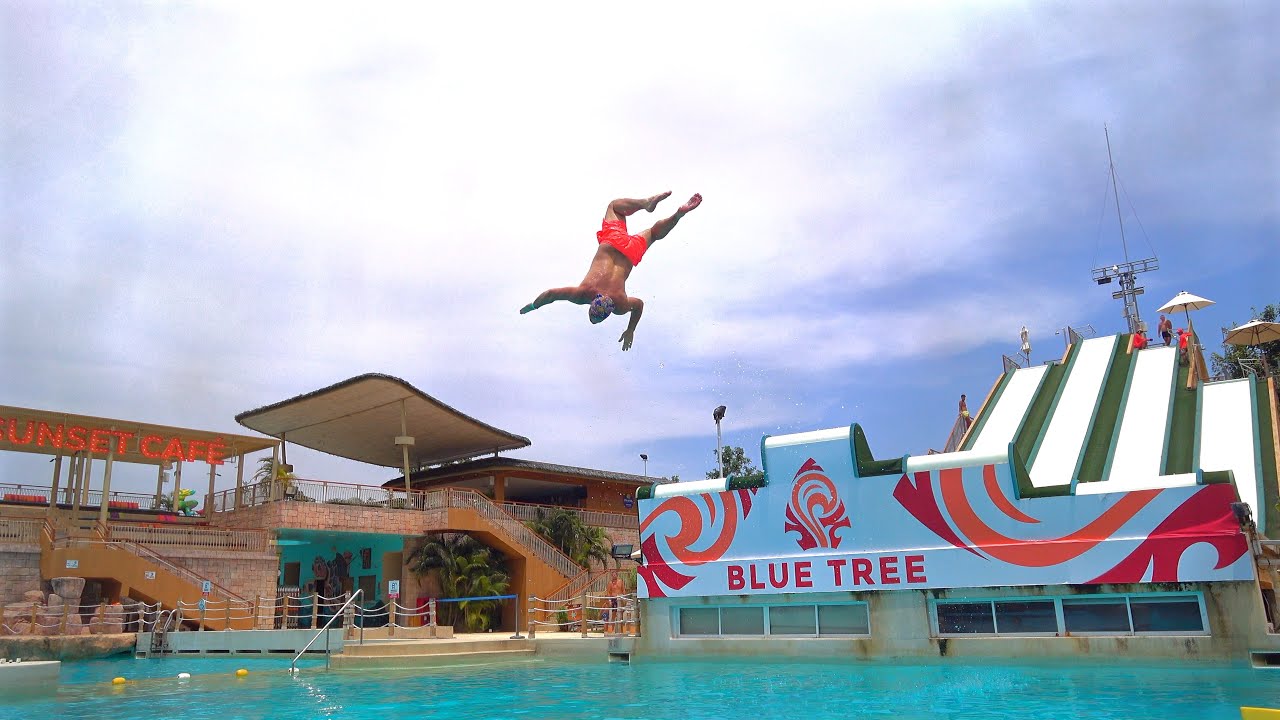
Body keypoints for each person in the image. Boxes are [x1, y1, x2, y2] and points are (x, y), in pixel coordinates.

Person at [520, 191, 703, 351]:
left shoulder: (620, 304)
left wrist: (631, 329)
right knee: (614, 207)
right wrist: (534, 305)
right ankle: (645, 203)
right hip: (612, 243)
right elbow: (551, 294)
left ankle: (677, 215)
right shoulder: (583, 294)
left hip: (630, 253)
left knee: (654, 234)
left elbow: (638, 305)